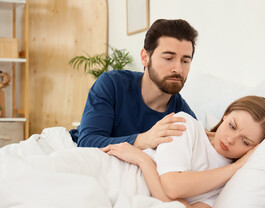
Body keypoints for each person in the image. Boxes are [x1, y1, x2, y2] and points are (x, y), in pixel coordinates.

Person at [102, 95, 265, 208]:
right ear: (225, 115)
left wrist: (144, 161)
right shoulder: (185, 124)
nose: (229, 139)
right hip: (114, 171)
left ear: (255, 150)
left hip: (125, 192)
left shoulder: (230, 186)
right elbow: (172, 187)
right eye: (232, 126)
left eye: (244, 141)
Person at [69, 19, 198, 149]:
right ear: (145, 58)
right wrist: (143, 140)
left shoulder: (181, 113)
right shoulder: (112, 84)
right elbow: (87, 142)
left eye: (185, 61)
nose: (178, 69)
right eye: (168, 58)